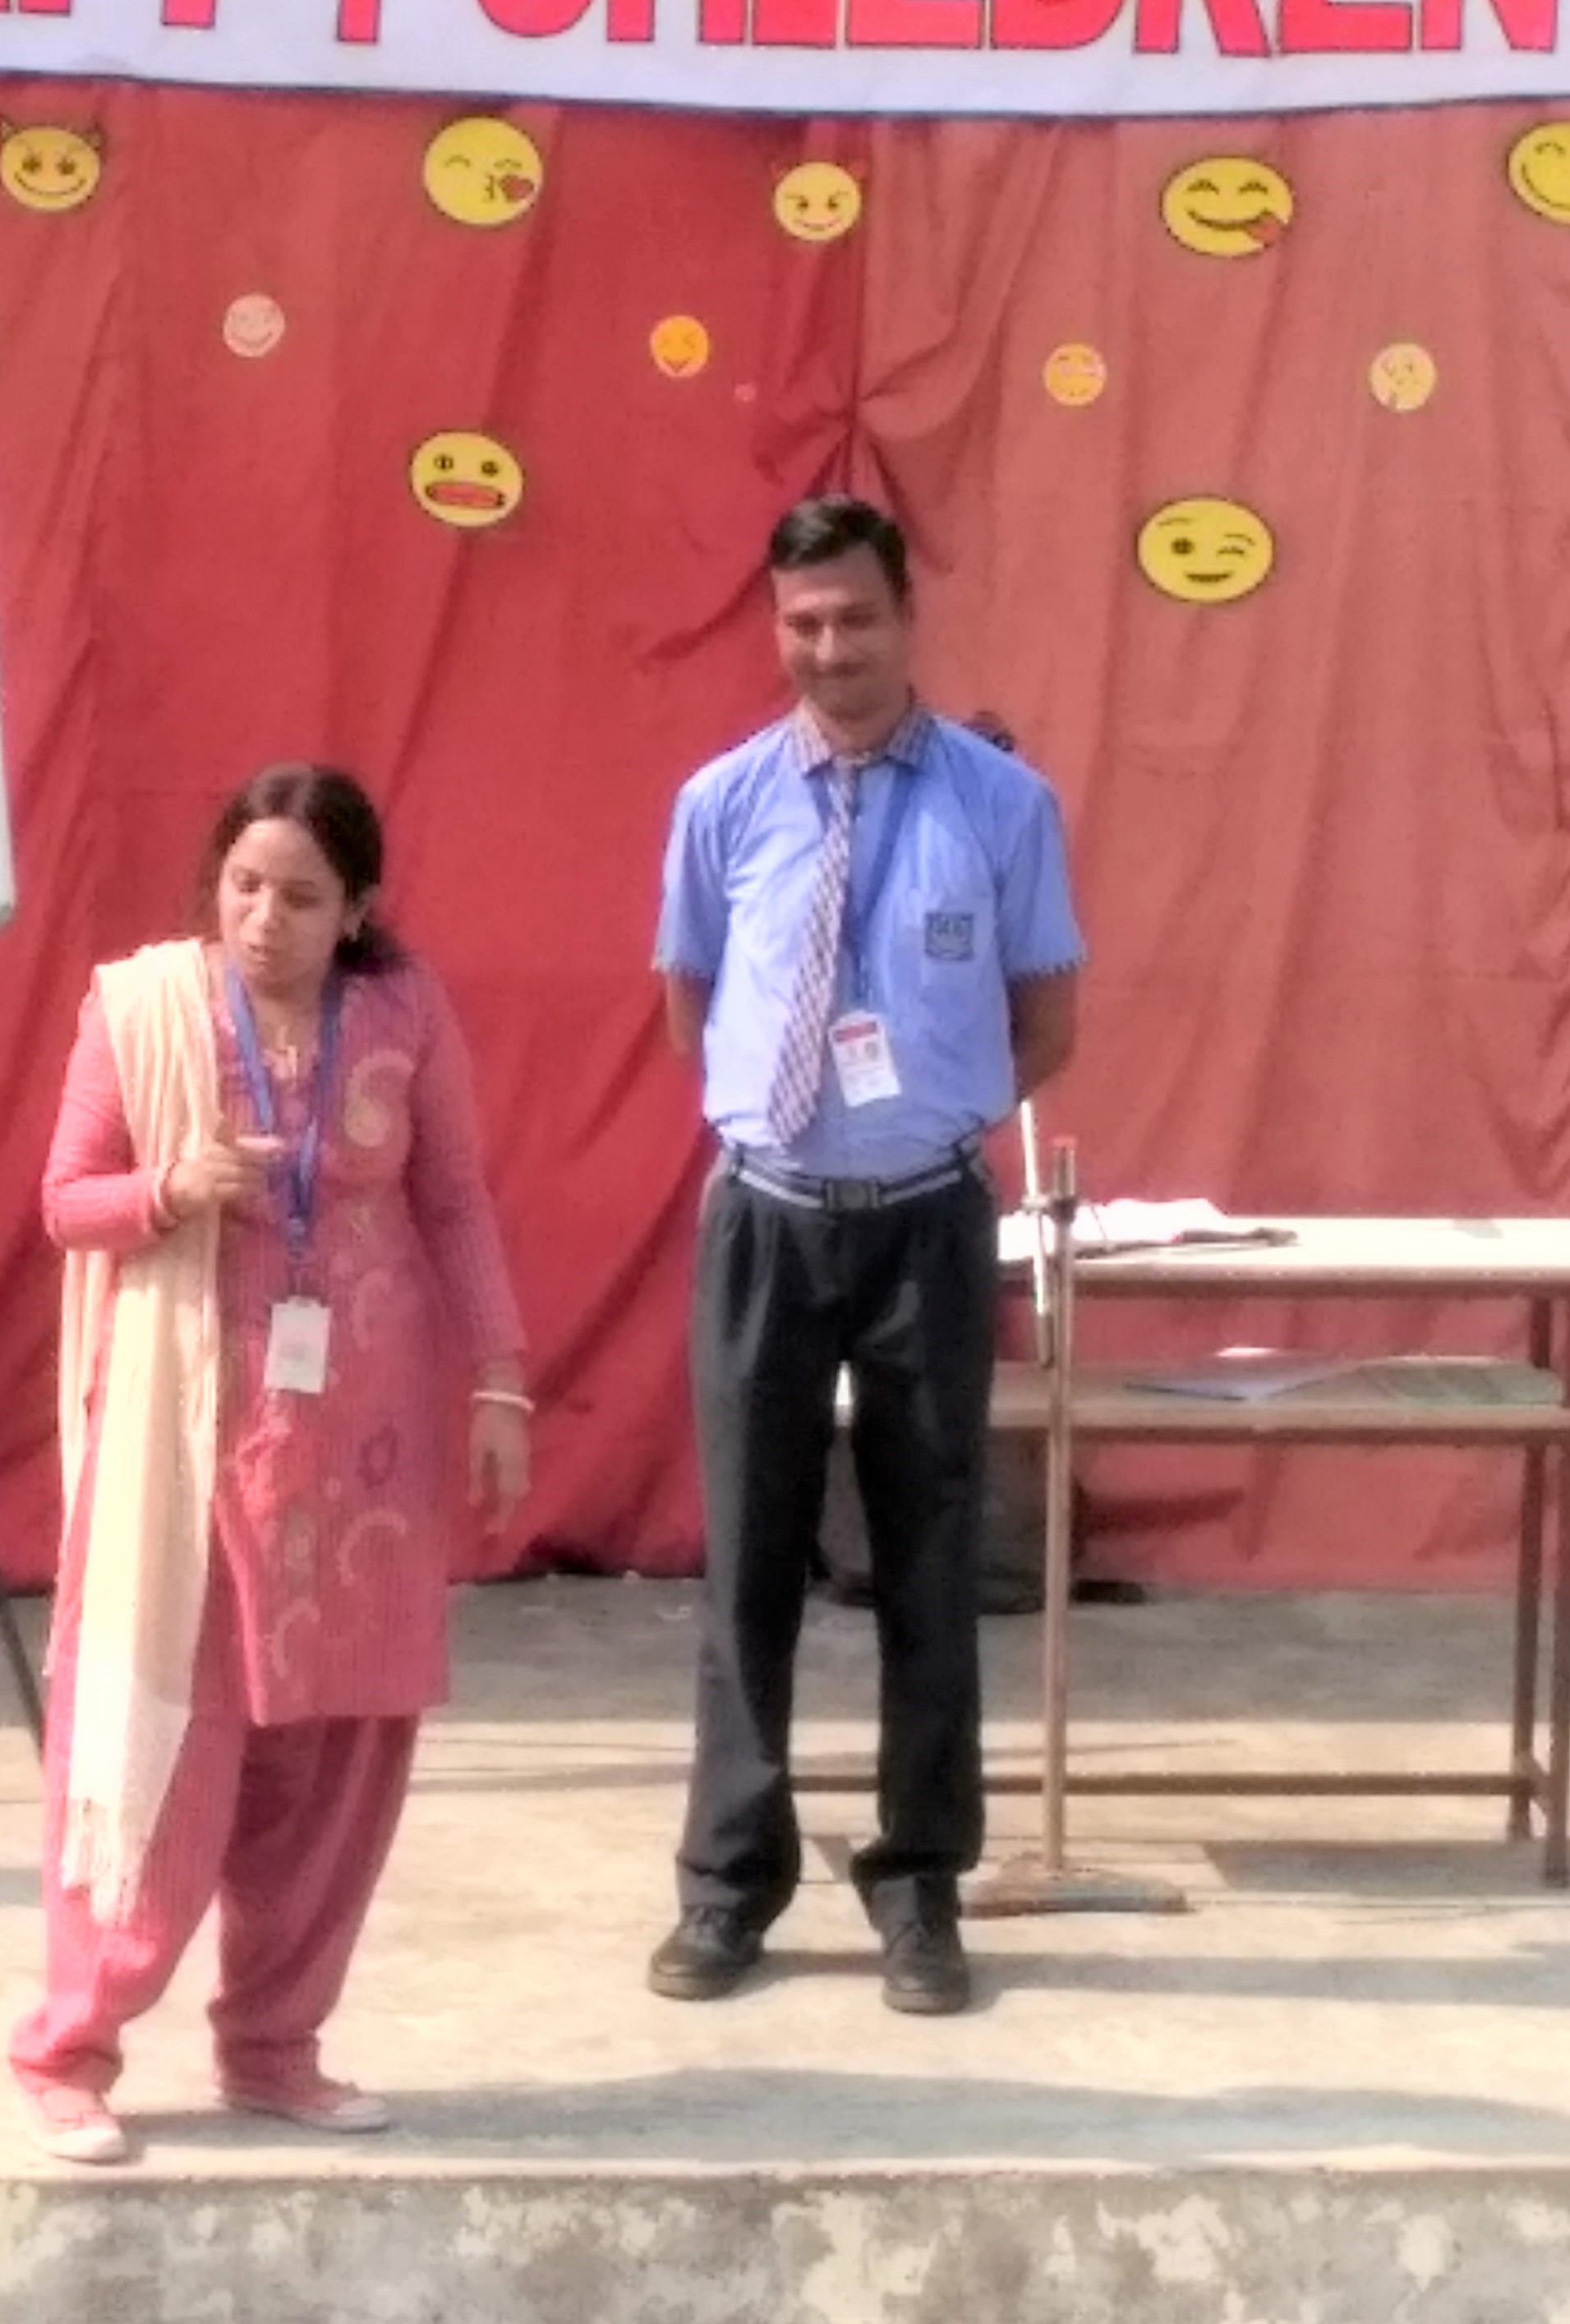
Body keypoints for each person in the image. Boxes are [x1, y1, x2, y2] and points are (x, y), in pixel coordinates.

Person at [12, 762, 531, 2165]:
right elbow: (65, 1201)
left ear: (357, 907)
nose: (264, 919)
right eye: (245, 886)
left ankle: (274, 2048)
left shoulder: (404, 1011)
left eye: (302, 896)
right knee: (164, 1738)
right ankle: (69, 2048)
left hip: (365, 1450)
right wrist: (170, 1190)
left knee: (341, 1751)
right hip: (189, 1444)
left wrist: (501, 1380)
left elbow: (455, 1202)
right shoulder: (143, 1011)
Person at [649, 497, 1082, 2016]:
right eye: (803, 622)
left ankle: (921, 1887)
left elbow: (1047, 1020)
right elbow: (692, 1003)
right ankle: (728, 1886)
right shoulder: (720, 805)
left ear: (909, 619)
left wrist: (923, 1118)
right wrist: (794, 1119)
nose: (830, 650)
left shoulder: (1001, 807)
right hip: (765, 1220)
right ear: (776, 626)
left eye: (857, 619)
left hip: (927, 1227)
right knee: (749, 1563)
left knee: (930, 1562)